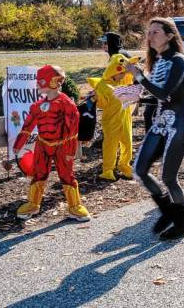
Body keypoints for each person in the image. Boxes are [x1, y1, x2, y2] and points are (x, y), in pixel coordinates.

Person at [127, 18, 184, 239]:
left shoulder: (179, 61)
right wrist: (131, 94)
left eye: (156, 32)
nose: (150, 36)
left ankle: (182, 224)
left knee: (168, 177)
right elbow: (158, 97)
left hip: (179, 124)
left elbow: (166, 94)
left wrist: (139, 77)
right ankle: (169, 210)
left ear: (170, 36)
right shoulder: (157, 60)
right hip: (161, 122)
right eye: (149, 32)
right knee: (140, 169)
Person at [13, 65, 90, 222]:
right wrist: (18, 145)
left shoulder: (66, 104)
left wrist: (70, 151)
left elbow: (72, 129)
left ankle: (75, 206)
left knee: (67, 175)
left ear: (52, 81)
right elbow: (27, 127)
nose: (37, 85)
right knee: (39, 173)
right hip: (42, 144)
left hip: (62, 145)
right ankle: (33, 204)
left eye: (40, 81)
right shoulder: (37, 106)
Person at [87, 53, 138, 181]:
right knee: (111, 145)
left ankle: (124, 165)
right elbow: (102, 104)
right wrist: (96, 97)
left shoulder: (122, 80)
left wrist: (131, 66)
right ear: (113, 71)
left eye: (124, 73)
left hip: (125, 119)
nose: (123, 76)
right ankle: (107, 170)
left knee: (128, 143)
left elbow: (132, 77)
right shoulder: (104, 86)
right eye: (121, 73)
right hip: (111, 121)